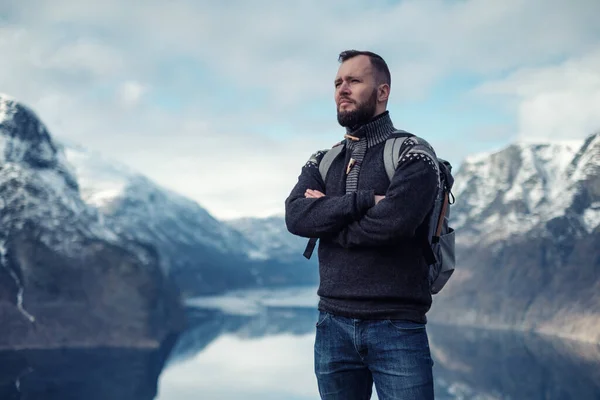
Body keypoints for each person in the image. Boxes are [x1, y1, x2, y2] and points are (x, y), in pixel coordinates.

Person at [284, 50, 439, 399]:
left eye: (354, 81)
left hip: (396, 327)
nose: (343, 89)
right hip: (332, 326)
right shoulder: (322, 160)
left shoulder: (414, 154)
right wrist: (366, 201)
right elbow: (295, 216)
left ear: (382, 91)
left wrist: (325, 218)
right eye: (338, 82)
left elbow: (391, 226)